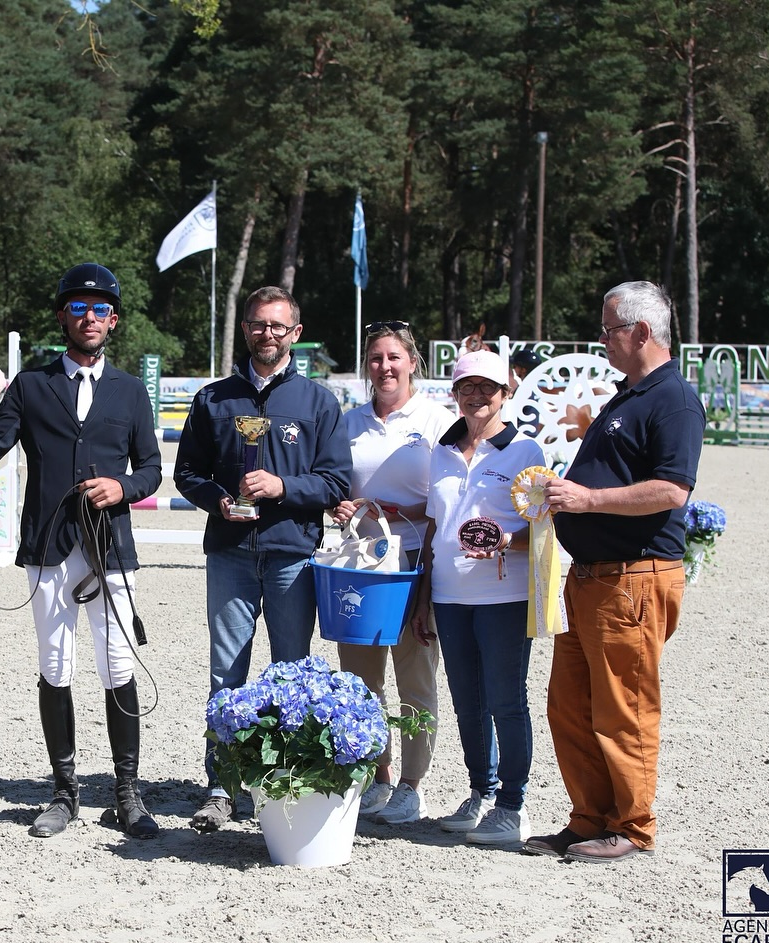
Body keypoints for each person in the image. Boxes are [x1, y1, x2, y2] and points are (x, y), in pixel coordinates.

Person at [0, 263, 163, 840]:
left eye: (100, 310)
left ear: (114, 320)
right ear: (63, 318)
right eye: (79, 308)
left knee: (118, 665)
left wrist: (122, 488)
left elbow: (150, 469)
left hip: (109, 546)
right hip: (50, 546)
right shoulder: (30, 385)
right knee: (56, 666)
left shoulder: (129, 391)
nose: (90, 318)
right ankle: (64, 791)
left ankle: (127, 793)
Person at [527, 281, 703, 863]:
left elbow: (673, 490)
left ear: (642, 332)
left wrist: (586, 500)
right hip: (593, 577)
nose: (601, 338)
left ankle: (632, 825)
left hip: (633, 578)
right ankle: (589, 818)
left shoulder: (673, 399)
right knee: (571, 706)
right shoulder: (628, 396)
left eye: (609, 329)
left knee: (622, 706)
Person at [174, 286, 351, 832]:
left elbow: (335, 482)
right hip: (229, 554)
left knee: (291, 674)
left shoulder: (320, 402)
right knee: (226, 675)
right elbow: (186, 473)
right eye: (257, 324)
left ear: (295, 334)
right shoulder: (214, 399)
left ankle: (283, 783)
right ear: (245, 329)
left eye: (277, 326)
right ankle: (222, 788)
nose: (266, 334)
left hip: (292, 555)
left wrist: (281, 487)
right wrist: (218, 501)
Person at [412, 349, 545, 844]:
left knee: (506, 701)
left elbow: (545, 530)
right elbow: (434, 527)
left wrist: (508, 541)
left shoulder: (525, 453)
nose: (476, 395)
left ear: (505, 393)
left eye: (487, 387)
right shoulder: (441, 449)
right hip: (449, 594)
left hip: (503, 595)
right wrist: (424, 594)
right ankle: (480, 792)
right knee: (467, 701)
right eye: (467, 386)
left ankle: (513, 804)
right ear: (455, 393)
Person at [332, 320, 453, 826]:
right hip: (360, 563)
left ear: (412, 362)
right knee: (361, 679)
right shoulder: (348, 422)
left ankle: (412, 784)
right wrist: (339, 506)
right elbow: (335, 481)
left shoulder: (438, 421)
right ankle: (377, 775)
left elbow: (452, 501)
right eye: (376, 358)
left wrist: (400, 510)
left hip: (417, 564)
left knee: (415, 679)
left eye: (394, 357)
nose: (385, 367)